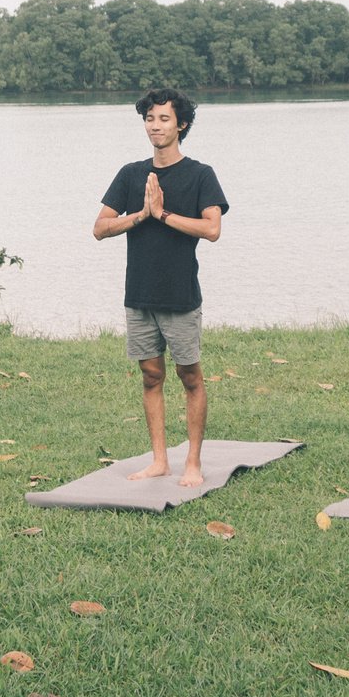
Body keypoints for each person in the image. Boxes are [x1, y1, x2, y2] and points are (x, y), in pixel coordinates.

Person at [93, 87, 229, 487]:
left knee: (190, 376)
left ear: (181, 124)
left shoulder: (200, 175)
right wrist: (141, 215)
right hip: (139, 294)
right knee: (151, 375)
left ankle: (192, 462)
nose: (155, 126)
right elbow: (100, 228)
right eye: (150, 118)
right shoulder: (131, 174)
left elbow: (212, 229)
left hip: (180, 295)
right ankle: (158, 460)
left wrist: (164, 213)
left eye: (164, 118)